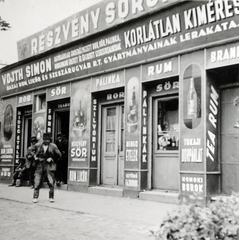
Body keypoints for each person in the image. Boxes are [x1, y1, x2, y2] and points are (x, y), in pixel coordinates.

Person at [33, 132, 61, 203]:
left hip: (49, 165)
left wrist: (52, 158)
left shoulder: (53, 146)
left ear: (50, 139)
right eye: (45, 139)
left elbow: (59, 154)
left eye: (48, 140)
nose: (46, 141)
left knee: (51, 181)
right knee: (37, 180)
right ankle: (35, 197)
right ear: (43, 139)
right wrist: (35, 156)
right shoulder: (37, 145)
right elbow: (31, 151)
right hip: (40, 164)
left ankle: (51, 197)